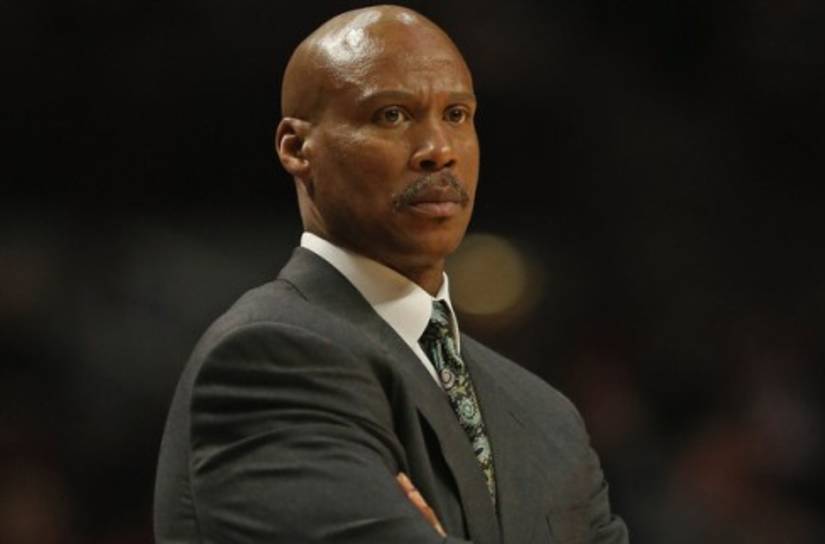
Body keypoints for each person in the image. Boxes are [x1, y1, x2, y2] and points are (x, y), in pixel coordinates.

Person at [154, 5, 628, 543]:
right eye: (392, 115)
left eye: (456, 115)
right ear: (296, 148)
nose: (439, 151)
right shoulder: (269, 359)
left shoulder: (547, 417)